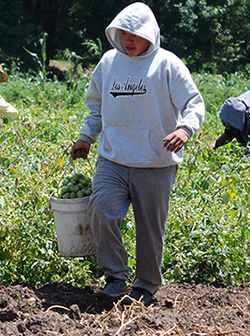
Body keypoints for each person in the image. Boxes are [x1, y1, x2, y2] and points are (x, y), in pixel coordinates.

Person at [71, 2, 205, 306]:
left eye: (134, 33)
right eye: (122, 33)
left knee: (150, 230)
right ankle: (115, 277)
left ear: (149, 34)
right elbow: (95, 106)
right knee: (102, 210)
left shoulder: (167, 64)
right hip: (113, 158)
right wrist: (85, 137)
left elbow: (194, 103)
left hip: (155, 162)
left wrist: (185, 129)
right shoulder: (108, 63)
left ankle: (146, 285)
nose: (128, 39)